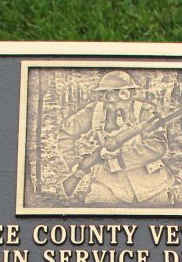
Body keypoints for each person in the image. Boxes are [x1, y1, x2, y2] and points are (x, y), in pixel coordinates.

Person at [57, 71, 174, 204]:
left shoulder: (146, 112)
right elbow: (65, 134)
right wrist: (75, 164)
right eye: (109, 95)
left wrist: (118, 158)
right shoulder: (94, 112)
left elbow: (158, 147)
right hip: (107, 183)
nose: (115, 100)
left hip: (150, 184)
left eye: (124, 94)